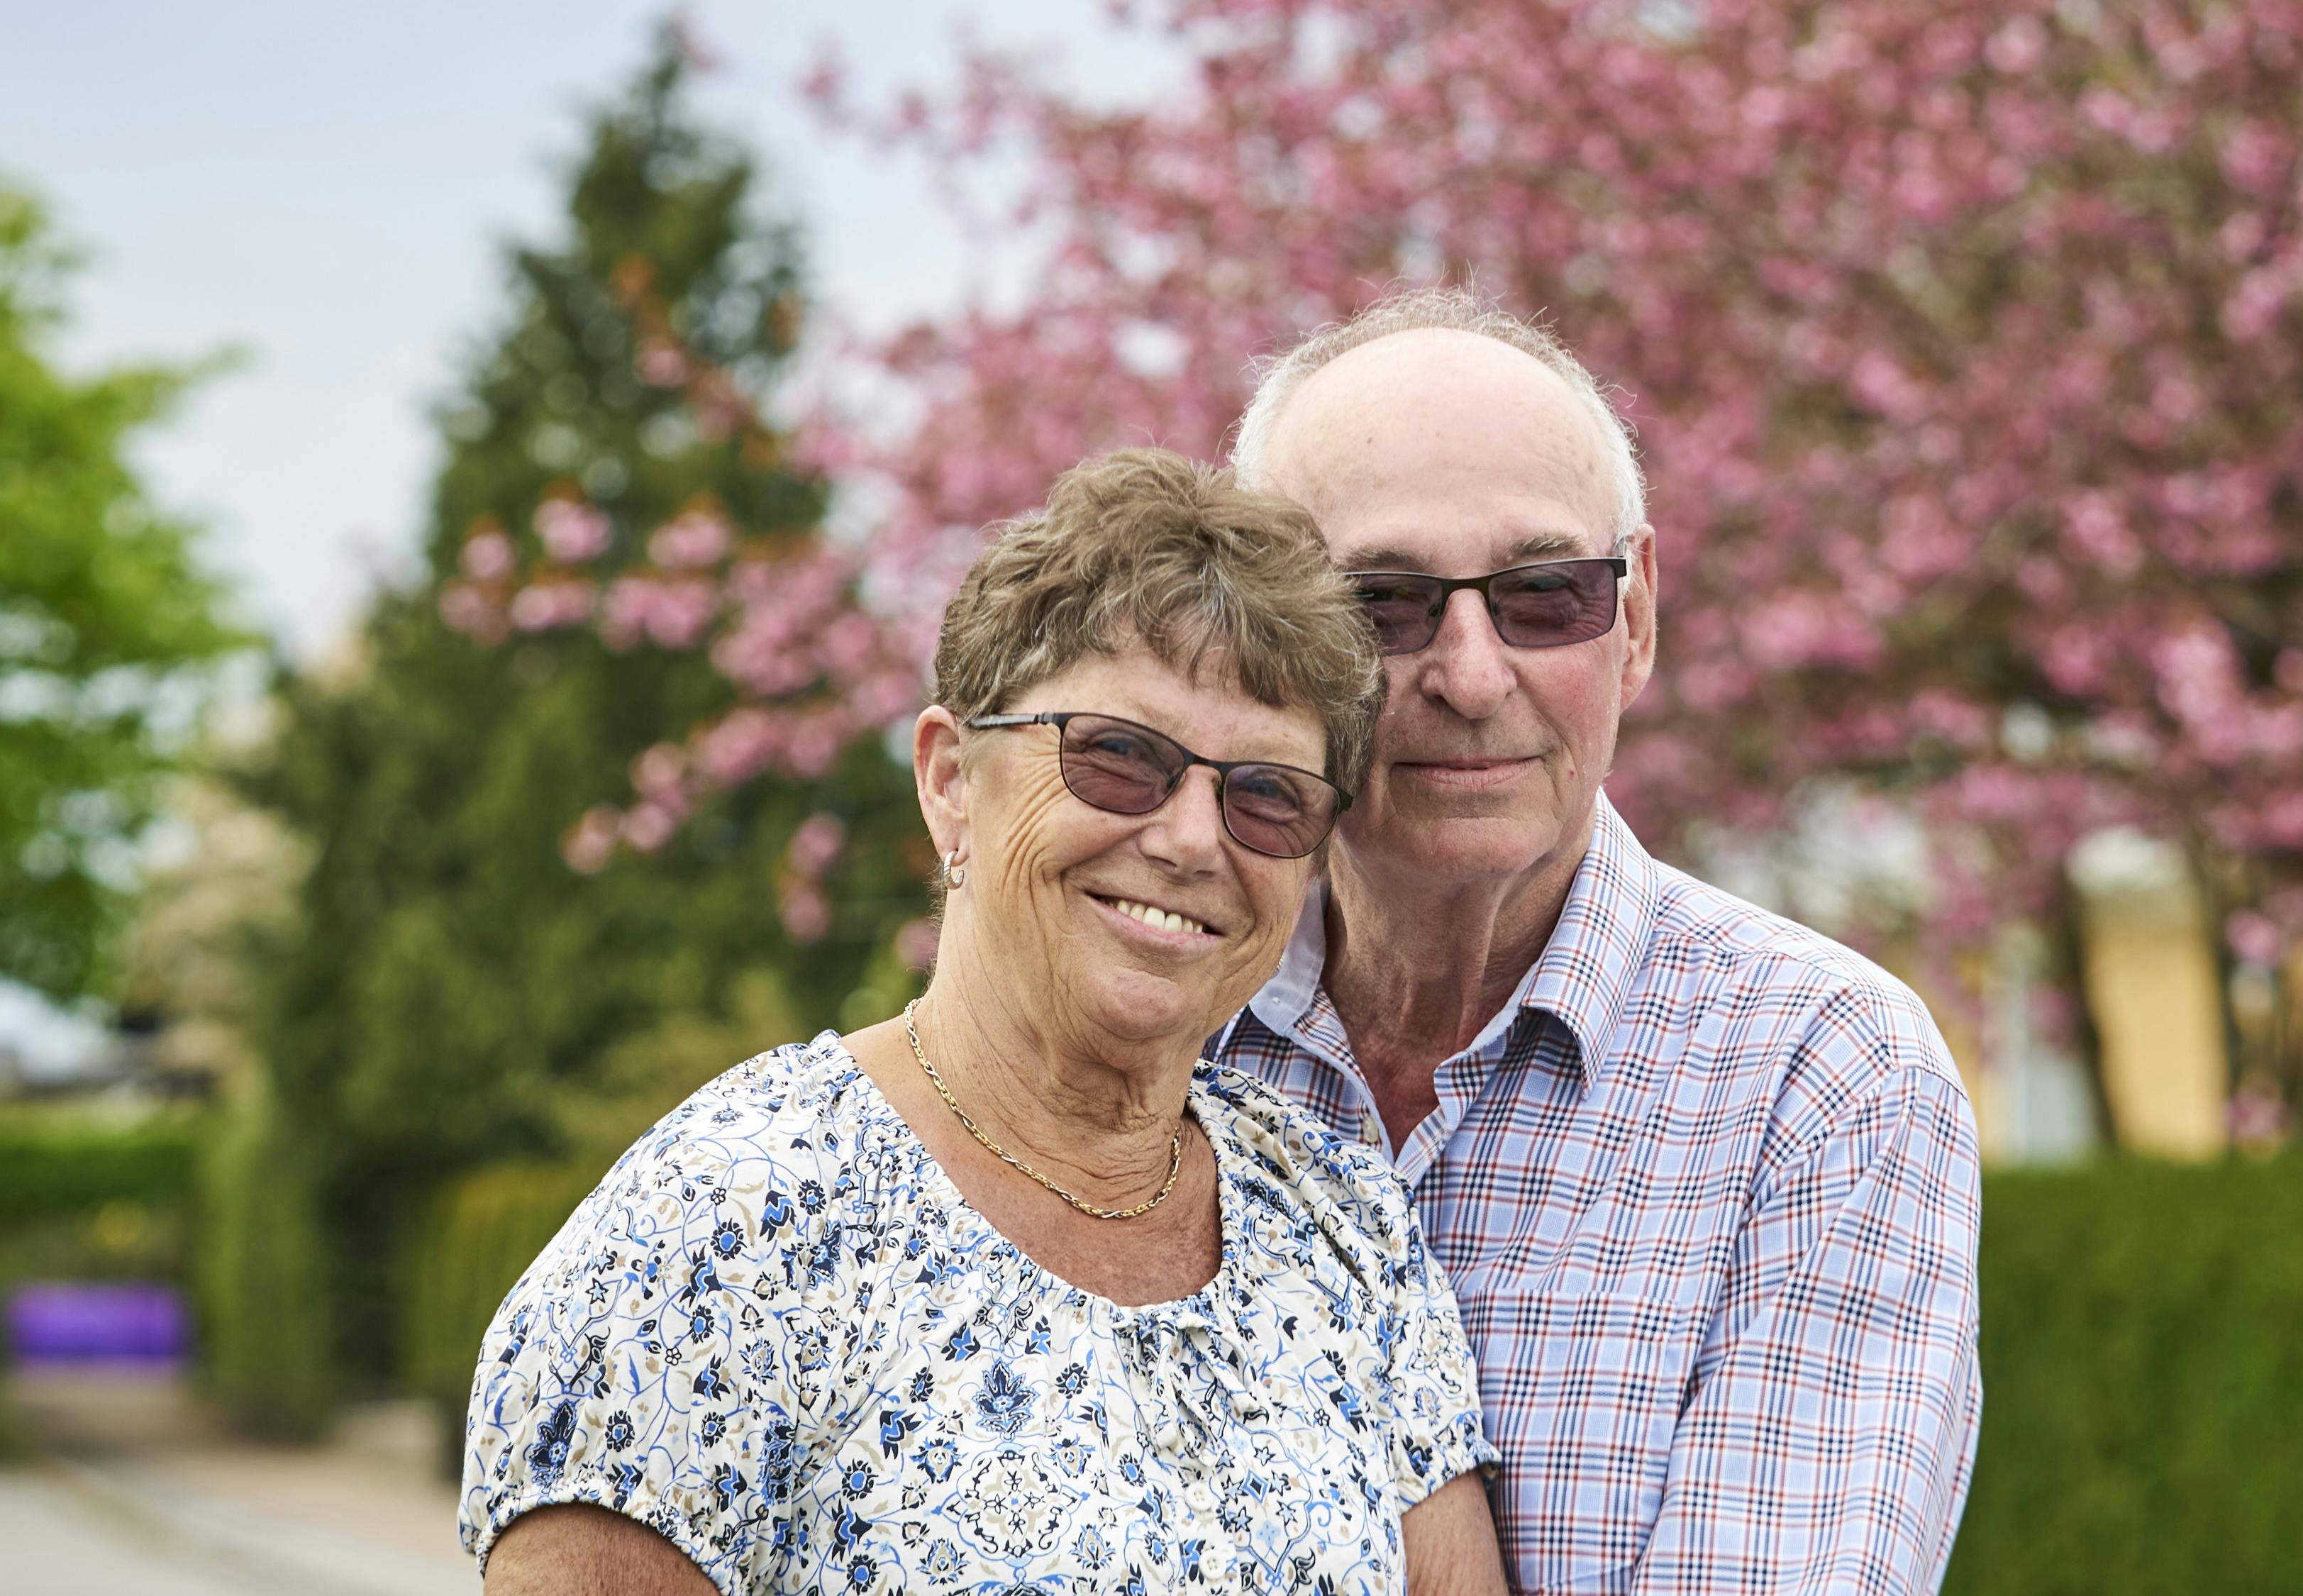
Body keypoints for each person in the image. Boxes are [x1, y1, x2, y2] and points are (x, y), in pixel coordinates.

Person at [457, 449, 1507, 1596]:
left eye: (1265, 793)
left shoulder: (1338, 1219)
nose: (1195, 840)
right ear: (952, 778)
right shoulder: (723, 1231)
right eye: (1119, 756)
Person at [1218, 289, 1985, 1594]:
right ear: (1261, 647)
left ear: (1632, 621)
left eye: (1543, 593)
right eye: (1385, 603)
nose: (1469, 674)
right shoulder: (1151, 1027)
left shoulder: (1823, 1077)